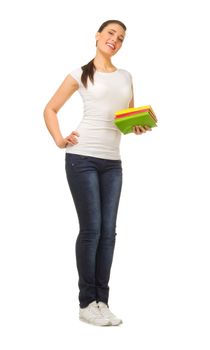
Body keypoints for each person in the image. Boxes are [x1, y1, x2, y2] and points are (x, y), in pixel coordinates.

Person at [43, 19, 152, 327]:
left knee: (109, 233)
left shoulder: (126, 76)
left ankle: (102, 301)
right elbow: (50, 109)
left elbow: (123, 120)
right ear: (98, 36)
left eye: (120, 38)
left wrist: (137, 126)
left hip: (112, 162)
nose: (115, 40)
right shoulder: (79, 74)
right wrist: (60, 139)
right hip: (82, 158)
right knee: (92, 230)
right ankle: (86, 302)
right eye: (110, 34)